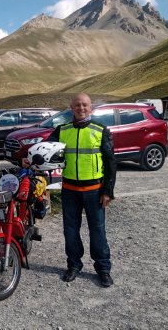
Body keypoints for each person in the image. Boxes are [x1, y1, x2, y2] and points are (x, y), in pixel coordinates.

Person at [48, 92, 117, 287]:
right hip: (70, 190)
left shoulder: (101, 130)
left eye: (85, 105)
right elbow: (45, 149)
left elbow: (111, 163)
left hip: (95, 191)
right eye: (77, 105)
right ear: (71, 108)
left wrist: (108, 191)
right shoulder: (62, 130)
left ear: (91, 108)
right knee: (70, 231)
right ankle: (74, 266)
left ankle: (103, 269)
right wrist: (28, 157)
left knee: (98, 232)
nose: (81, 108)